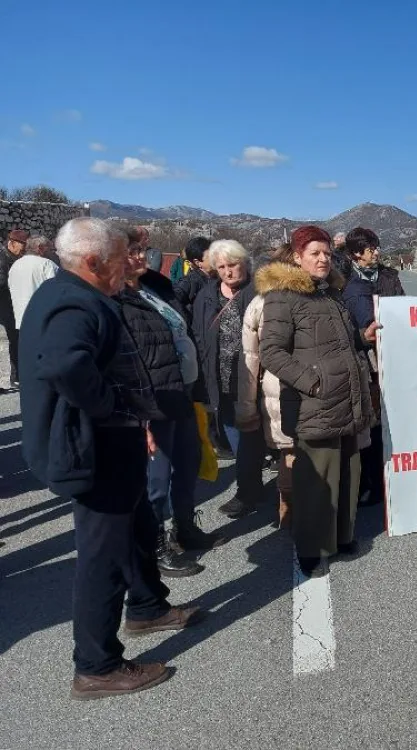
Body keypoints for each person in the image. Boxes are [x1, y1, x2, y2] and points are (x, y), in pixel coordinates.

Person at [19, 218, 201, 700]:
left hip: (111, 443)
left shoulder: (72, 291)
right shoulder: (74, 300)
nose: (131, 265)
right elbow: (63, 364)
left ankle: (146, 606)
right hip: (92, 448)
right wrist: (112, 407)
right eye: (122, 257)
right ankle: (96, 666)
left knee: (138, 522)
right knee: (101, 555)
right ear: (94, 261)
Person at [259, 225, 377, 578]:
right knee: (317, 481)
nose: (323, 259)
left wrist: (362, 338)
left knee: (347, 473)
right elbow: (271, 352)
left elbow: (336, 343)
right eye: (315, 253)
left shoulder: (328, 293)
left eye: (326, 253)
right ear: (297, 257)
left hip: (346, 399)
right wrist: (313, 382)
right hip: (317, 402)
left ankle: (341, 537)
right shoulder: (283, 297)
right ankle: (311, 548)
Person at [118, 228, 224, 577]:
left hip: (182, 393)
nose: (141, 257)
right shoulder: (114, 297)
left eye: (143, 250)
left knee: (187, 463)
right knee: (156, 479)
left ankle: (185, 527)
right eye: (134, 250)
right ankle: (155, 545)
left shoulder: (154, 287)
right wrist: (139, 414)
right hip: (153, 402)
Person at [192, 239, 265, 518]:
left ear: (244, 262)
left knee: (252, 439)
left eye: (232, 265)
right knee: (237, 439)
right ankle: (251, 486)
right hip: (219, 379)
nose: (228, 272)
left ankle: (247, 493)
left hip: (253, 379)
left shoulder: (259, 291)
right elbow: (198, 335)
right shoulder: (206, 295)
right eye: (221, 267)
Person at [237, 246, 300, 529]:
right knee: (292, 455)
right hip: (285, 391)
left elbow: (249, 363)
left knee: (289, 453)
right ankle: (290, 515)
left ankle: (289, 515)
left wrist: (247, 407)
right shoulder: (297, 300)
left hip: (275, 391)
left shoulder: (258, 302)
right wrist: (247, 408)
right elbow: (250, 360)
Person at [341, 227, 404, 507]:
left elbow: (407, 310)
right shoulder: (345, 283)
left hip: (396, 355)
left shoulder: (391, 277)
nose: (376, 252)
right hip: (368, 362)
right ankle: (373, 483)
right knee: (372, 423)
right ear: (357, 253)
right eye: (371, 248)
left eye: (376, 247)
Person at [10, 235, 59, 329]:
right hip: (43, 321)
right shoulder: (47, 264)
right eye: (49, 247)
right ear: (40, 247)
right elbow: (55, 292)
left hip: (21, 320)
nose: (51, 251)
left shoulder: (15, 265)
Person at [0, 228, 28, 389]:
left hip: (10, 306)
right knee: (10, 340)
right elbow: (2, 283)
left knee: (14, 339)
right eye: (21, 247)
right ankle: (12, 377)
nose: (22, 252)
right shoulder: (2, 258)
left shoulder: (13, 257)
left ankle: (16, 376)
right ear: (11, 243)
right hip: (4, 306)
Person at [173, 236, 213, 322]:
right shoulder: (190, 281)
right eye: (211, 257)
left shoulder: (216, 278)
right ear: (198, 262)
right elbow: (174, 300)